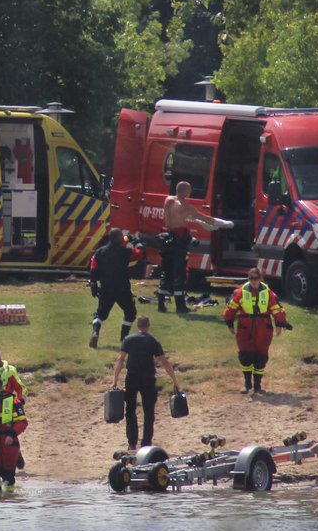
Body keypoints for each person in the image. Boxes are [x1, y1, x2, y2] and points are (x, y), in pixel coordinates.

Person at [159, 181, 232, 314]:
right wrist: (224, 224)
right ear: (184, 191)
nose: (191, 192)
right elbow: (206, 218)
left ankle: (161, 304)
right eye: (189, 190)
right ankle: (180, 306)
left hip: (167, 236)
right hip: (178, 240)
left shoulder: (168, 200)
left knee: (167, 271)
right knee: (179, 273)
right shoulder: (186, 206)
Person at [108, 316, 180, 449]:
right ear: (148, 325)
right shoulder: (153, 341)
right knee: (149, 412)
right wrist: (175, 381)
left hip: (132, 378)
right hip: (148, 379)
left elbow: (120, 359)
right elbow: (165, 362)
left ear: (137, 325)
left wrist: (114, 381)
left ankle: (132, 443)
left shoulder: (128, 339)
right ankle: (146, 443)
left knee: (130, 410)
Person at [222, 267, 290, 394]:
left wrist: (280, 324)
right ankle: (247, 384)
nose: (253, 281)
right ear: (249, 279)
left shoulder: (268, 293)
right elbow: (231, 309)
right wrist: (229, 322)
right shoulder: (240, 292)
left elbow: (276, 309)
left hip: (263, 327)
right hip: (245, 326)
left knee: (261, 355)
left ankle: (257, 385)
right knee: (245, 354)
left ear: (260, 279)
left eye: (256, 278)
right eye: (251, 278)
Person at [88, 228, 141, 349]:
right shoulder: (125, 251)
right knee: (130, 312)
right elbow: (140, 253)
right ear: (119, 238)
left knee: (100, 314)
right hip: (122, 287)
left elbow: (93, 268)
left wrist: (93, 283)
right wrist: (137, 241)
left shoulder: (100, 252)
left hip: (106, 287)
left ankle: (95, 332)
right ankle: (124, 338)